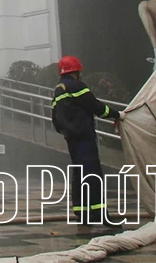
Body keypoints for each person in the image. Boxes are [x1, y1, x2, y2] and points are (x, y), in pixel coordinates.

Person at [51, 56, 120, 229]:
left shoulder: (58, 90)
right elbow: (95, 106)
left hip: (71, 139)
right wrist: (116, 114)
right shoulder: (76, 87)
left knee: (79, 175)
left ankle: (82, 214)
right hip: (84, 137)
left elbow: (55, 117)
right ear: (76, 71)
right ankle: (100, 213)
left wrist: (66, 131)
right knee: (93, 175)